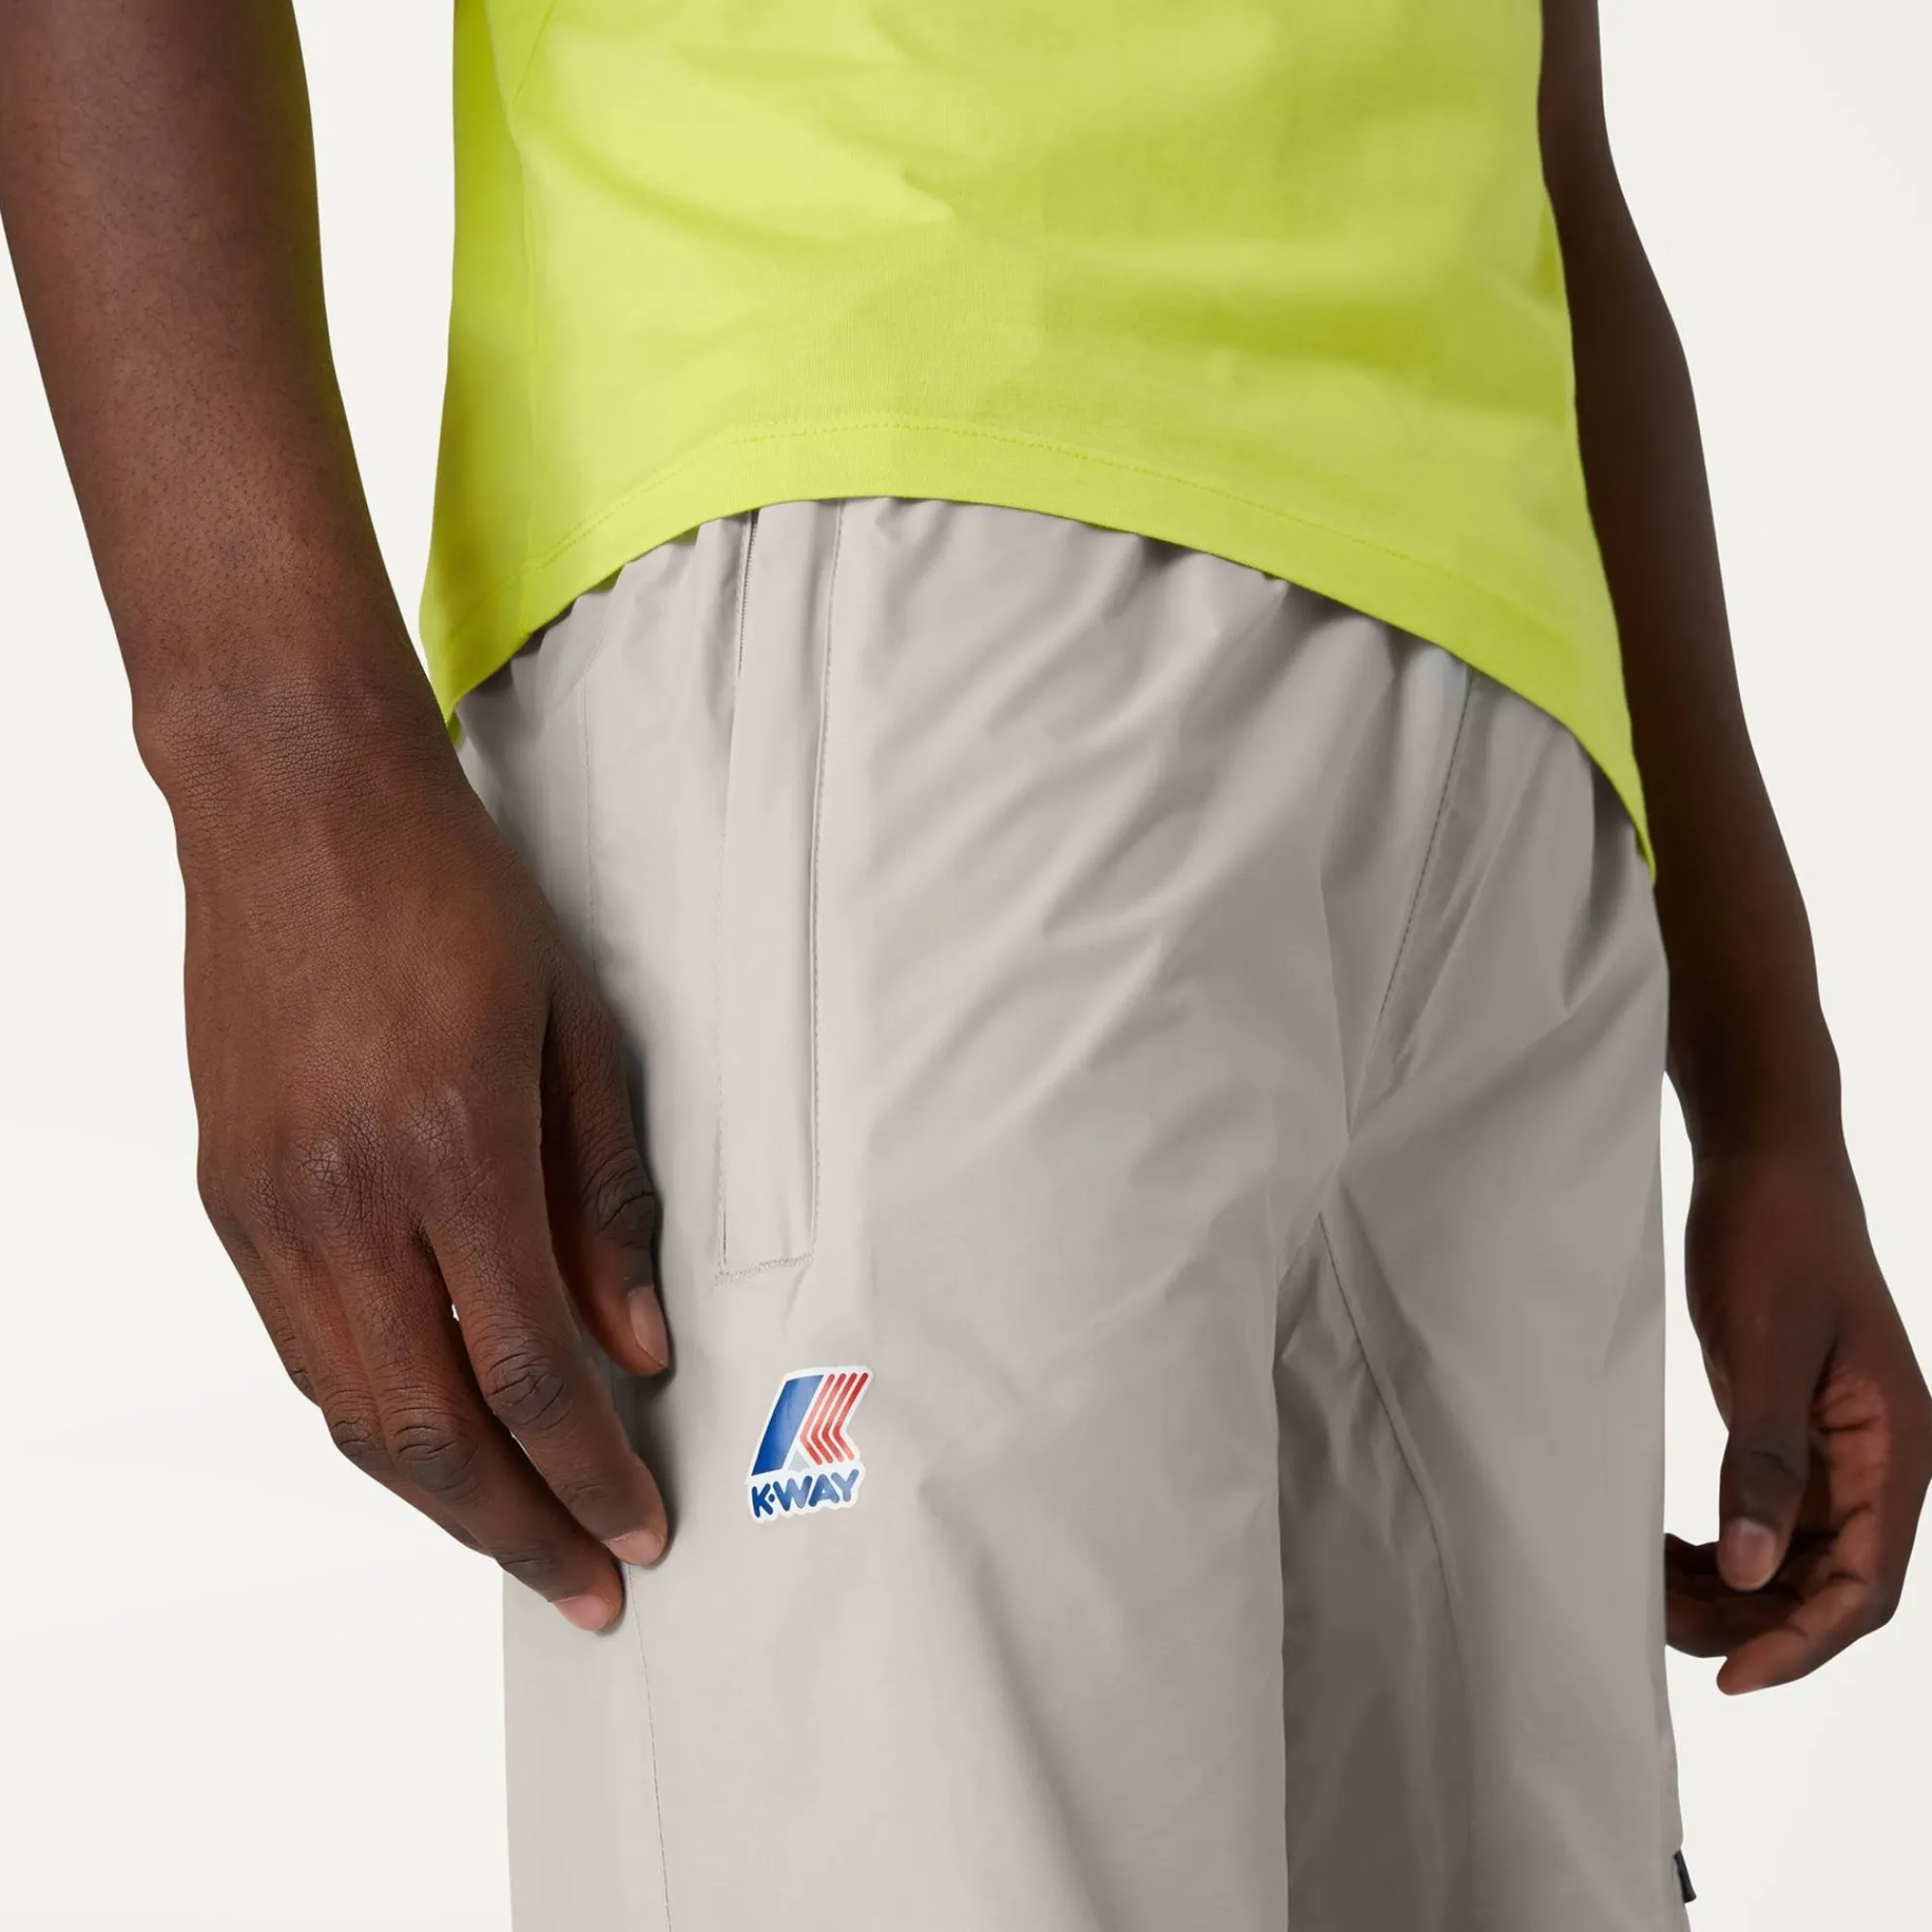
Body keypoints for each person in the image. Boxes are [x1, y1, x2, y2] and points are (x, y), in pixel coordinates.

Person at [3, 1, 1926, 1926]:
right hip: (899, 559)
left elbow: (1542, 114)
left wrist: (1766, 1083)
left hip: (1508, 737)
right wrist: (276, 764)